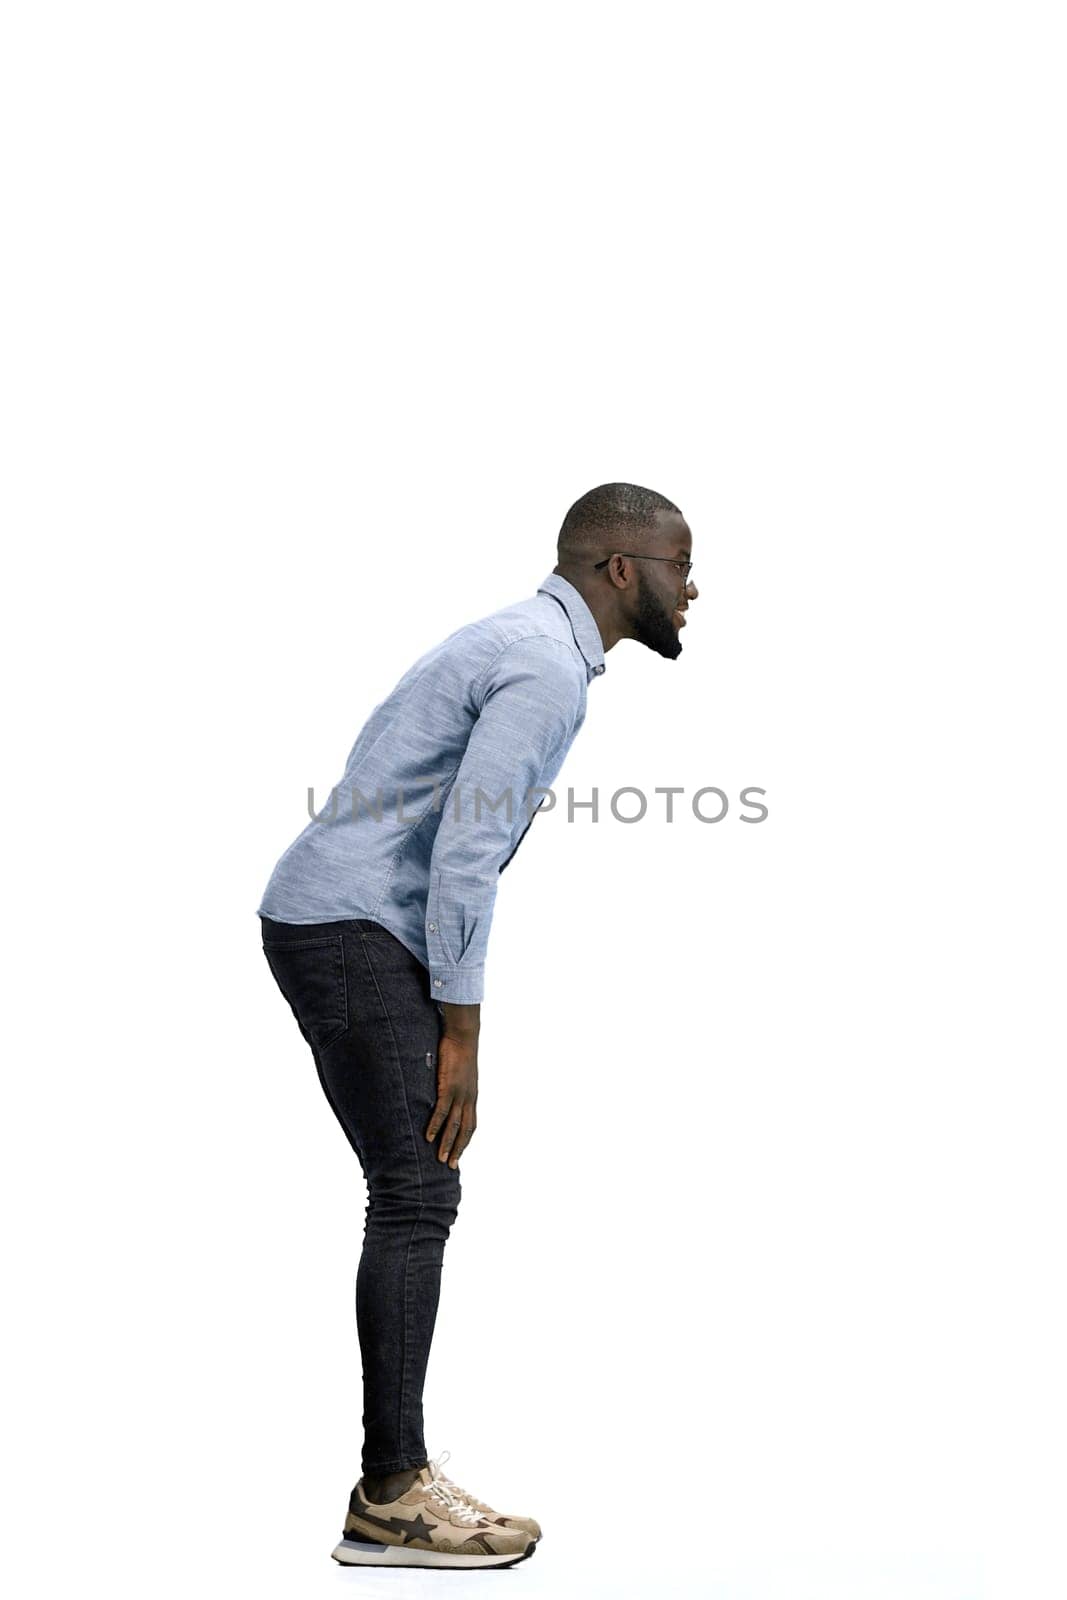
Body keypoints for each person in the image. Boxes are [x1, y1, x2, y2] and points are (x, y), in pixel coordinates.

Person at [256, 482, 698, 1569]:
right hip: (352, 925)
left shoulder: (517, 639)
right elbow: (462, 853)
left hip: (342, 914)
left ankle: (393, 1479)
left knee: (414, 1188)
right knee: (415, 1189)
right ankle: (391, 1495)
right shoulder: (542, 666)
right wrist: (463, 1035)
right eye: (680, 562)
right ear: (617, 570)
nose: (695, 585)